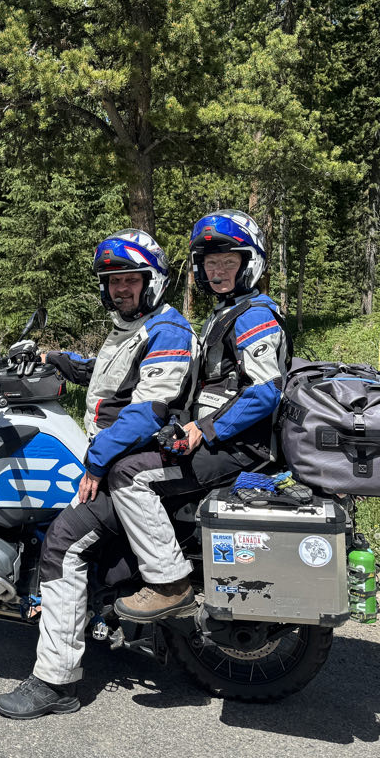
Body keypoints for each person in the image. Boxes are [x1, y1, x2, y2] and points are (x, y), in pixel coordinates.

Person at [0, 229, 197, 719]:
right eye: (113, 281)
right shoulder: (135, 328)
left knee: (62, 543)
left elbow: (148, 409)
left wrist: (97, 461)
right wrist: (56, 360)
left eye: (131, 279)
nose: (121, 288)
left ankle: (56, 681)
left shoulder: (168, 332)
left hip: (132, 460)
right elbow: (112, 378)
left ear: (152, 281)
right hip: (116, 455)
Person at [110, 209, 290, 623]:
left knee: (128, 474)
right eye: (211, 263)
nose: (218, 271)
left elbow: (266, 391)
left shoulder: (254, 314)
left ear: (250, 264)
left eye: (228, 261)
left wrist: (204, 430)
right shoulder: (228, 311)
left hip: (242, 446)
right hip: (222, 439)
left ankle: (169, 586)